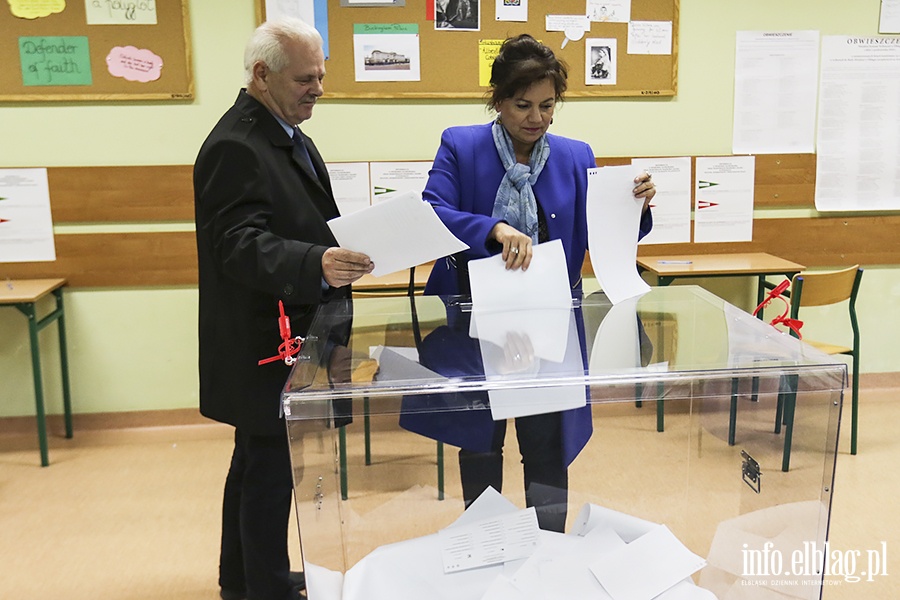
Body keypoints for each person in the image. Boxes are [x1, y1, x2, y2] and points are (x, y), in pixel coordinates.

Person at [420, 34, 655, 532]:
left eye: (548, 106)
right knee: (481, 441)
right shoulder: (461, 146)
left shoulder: (574, 155)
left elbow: (604, 227)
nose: (536, 118)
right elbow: (433, 212)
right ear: (498, 100)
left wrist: (637, 204)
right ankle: (485, 543)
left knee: (546, 445)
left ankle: (550, 549)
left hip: (550, 322)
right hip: (476, 323)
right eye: (523, 105)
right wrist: (492, 229)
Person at [193, 17, 374, 600]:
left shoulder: (284, 130)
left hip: (291, 328)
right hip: (263, 341)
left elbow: (297, 219)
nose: (318, 88)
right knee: (268, 470)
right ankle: (263, 586)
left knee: (256, 461)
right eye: (305, 79)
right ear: (262, 74)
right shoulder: (234, 145)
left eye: (321, 75)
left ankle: (245, 578)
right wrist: (315, 263)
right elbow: (236, 245)